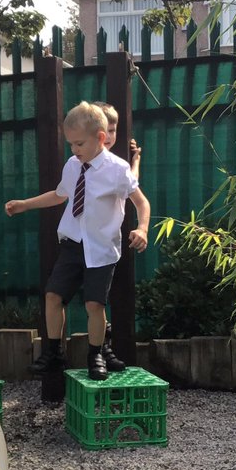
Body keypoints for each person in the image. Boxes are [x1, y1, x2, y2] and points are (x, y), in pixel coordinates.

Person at [4, 101, 150, 380]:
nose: (74, 150)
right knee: (52, 295)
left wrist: (142, 229)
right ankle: (53, 352)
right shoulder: (73, 165)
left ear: (100, 138)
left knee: (94, 305)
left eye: (79, 143)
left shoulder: (118, 170)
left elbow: (142, 203)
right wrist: (26, 204)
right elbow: (60, 194)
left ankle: (96, 354)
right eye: (71, 144)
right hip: (73, 243)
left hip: (102, 248)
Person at [91, 100, 146, 372]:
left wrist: (135, 162)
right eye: (105, 130)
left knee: (98, 300)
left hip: (106, 242)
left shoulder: (116, 166)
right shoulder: (79, 162)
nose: (110, 136)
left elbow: (130, 187)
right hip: (82, 241)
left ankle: (105, 349)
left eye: (113, 130)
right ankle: (103, 350)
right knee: (92, 301)